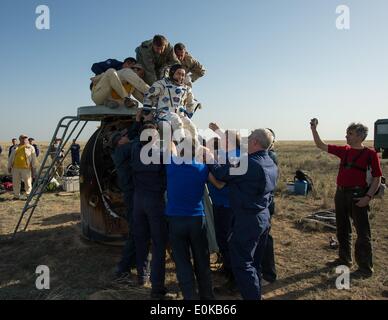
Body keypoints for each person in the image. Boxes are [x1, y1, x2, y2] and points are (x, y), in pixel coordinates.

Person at [208, 129, 278, 300]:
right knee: (254, 262)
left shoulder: (248, 164)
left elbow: (220, 173)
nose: (245, 140)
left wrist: (209, 158)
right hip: (262, 217)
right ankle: (255, 292)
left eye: (249, 138)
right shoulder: (270, 161)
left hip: (247, 219)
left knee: (242, 263)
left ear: (255, 142)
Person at [310, 119, 382, 278]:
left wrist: (368, 197)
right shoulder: (345, 150)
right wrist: (314, 129)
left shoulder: (370, 154)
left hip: (359, 196)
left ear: (359, 136)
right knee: (342, 228)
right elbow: (321, 145)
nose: (346, 136)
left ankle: (365, 268)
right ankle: (344, 259)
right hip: (341, 194)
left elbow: (377, 178)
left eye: (350, 133)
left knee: (363, 233)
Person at [165, 137, 224, 300]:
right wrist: (209, 155)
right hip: (197, 220)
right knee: (202, 259)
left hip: (176, 220)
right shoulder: (202, 168)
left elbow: (170, 147)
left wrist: (172, 139)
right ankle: (207, 297)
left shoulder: (170, 165)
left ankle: (189, 296)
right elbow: (219, 185)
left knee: (182, 261)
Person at [128, 111, 168, 299]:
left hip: (138, 201)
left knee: (141, 239)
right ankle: (157, 285)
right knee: (159, 242)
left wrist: (140, 122)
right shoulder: (160, 154)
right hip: (155, 201)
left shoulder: (135, 149)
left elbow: (135, 138)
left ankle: (142, 276)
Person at [207, 123, 241, 289]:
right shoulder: (228, 153)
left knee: (228, 241)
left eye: (222, 139)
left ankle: (234, 279)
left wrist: (207, 173)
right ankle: (228, 269)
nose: (219, 140)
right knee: (222, 239)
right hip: (220, 203)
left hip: (228, 205)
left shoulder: (235, 156)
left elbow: (221, 184)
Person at [142, 64, 198, 143]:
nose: (181, 77)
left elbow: (190, 102)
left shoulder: (186, 88)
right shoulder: (162, 84)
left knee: (191, 127)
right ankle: (180, 145)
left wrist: (189, 111)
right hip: (163, 114)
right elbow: (149, 95)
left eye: (183, 75)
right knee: (176, 121)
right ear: (172, 73)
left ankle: (194, 149)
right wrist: (147, 108)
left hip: (180, 115)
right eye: (178, 73)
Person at [261, 128, 278, 284]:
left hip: (265, 204)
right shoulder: (270, 155)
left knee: (265, 239)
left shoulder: (270, 156)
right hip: (267, 203)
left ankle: (268, 274)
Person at [7, 135, 38, 200]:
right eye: (23, 138)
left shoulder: (31, 147)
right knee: (16, 182)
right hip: (15, 168)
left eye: (25, 138)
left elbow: (34, 158)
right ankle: (16, 196)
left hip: (26, 168)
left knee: (28, 182)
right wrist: (9, 166)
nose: (24, 140)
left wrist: (34, 168)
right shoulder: (15, 147)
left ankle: (28, 195)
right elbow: (11, 157)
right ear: (20, 139)